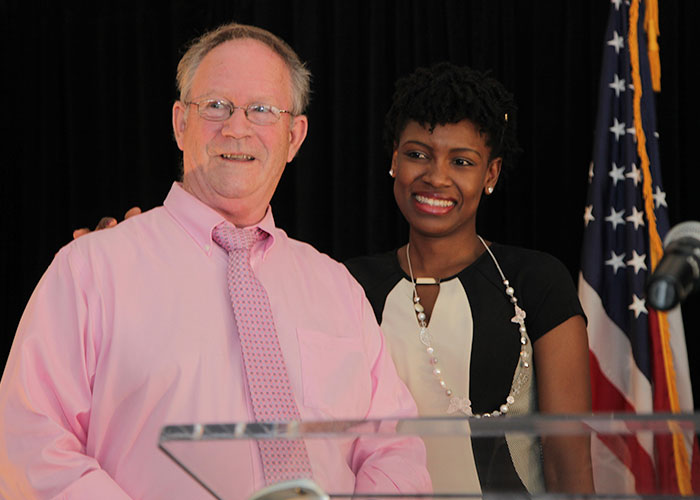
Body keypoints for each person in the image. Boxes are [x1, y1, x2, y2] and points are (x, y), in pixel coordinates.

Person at [0, 23, 431, 499]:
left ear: (294, 136)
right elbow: (29, 441)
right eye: (216, 106)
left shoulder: (337, 288)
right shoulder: (90, 271)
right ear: (180, 122)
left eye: (262, 110)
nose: (237, 127)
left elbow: (394, 447)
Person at [344, 62, 594, 494]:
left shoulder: (536, 281)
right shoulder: (347, 285)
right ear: (394, 161)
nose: (436, 177)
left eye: (461, 161)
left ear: (490, 174)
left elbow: (567, 467)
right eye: (417, 154)